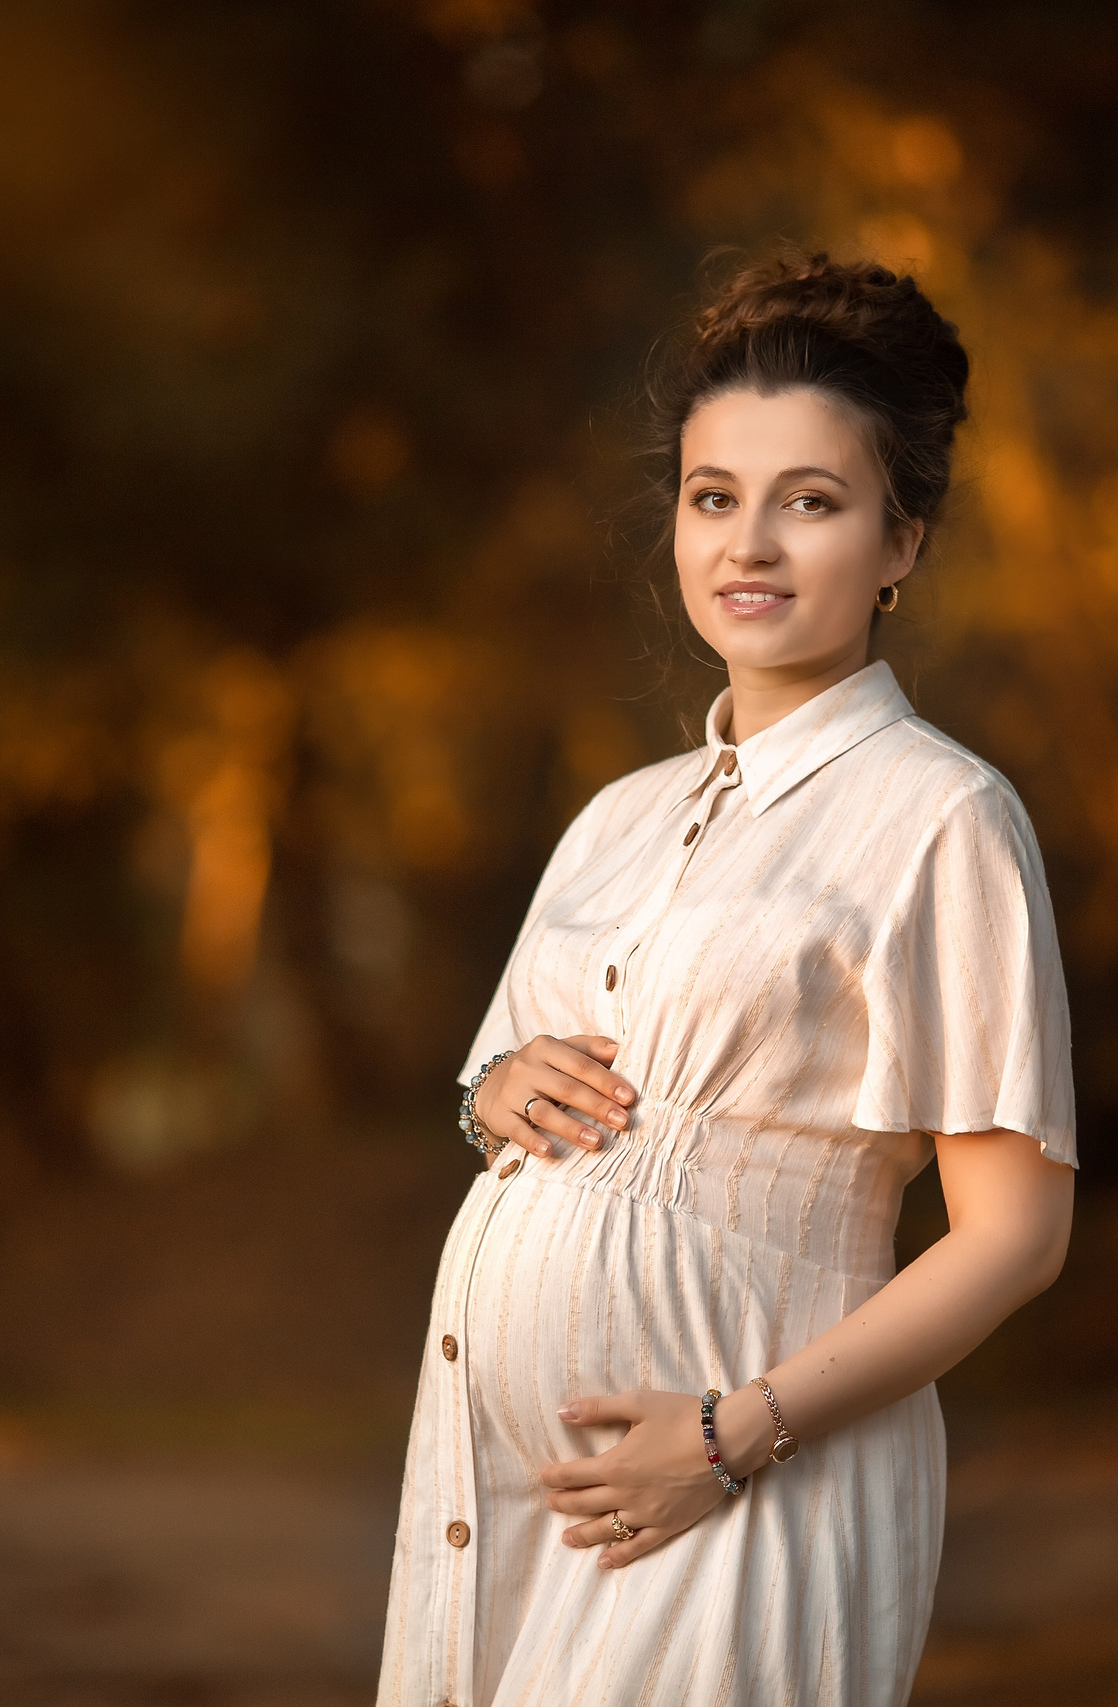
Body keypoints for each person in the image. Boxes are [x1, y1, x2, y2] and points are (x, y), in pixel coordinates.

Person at [376, 252, 1079, 1706]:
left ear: (902, 543)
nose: (747, 545)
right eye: (713, 497)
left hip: (746, 1486)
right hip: (513, 1494)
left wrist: (726, 1434)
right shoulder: (617, 818)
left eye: (808, 502)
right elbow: (505, 1102)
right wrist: (489, 1097)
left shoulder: (941, 817)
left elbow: (1014, 1237)